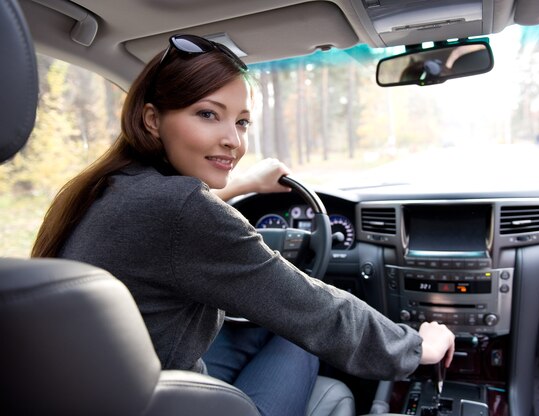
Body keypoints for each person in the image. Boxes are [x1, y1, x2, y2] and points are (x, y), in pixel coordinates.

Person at [31, 34, 455, 416]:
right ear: (151, 119)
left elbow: (172, 225)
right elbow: (315, 311)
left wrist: (242, 185)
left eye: (241, 121)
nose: (234, 139)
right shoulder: (181, 209)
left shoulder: (107, 188)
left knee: (269, 326)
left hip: (122, 389)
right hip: (160, 398)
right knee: (298, 336)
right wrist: (417, 346)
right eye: (208, 114)